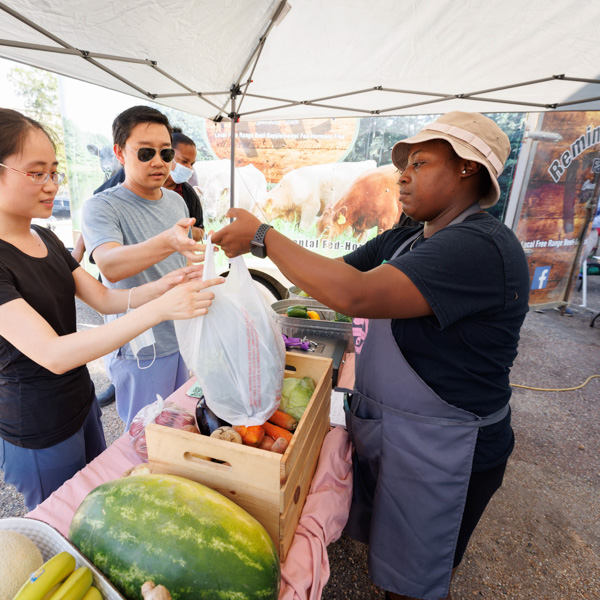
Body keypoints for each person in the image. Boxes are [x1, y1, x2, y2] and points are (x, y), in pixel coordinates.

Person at [211, 112, 530, 600]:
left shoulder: (479, 246)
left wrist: (264, 237)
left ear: (468, 168)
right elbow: (333, 276)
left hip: (446, 448)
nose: (401, 174)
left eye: (419, 163)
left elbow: (356, 294)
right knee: (392, 553)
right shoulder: (410, 236)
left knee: (414, 584)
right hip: (399, 429)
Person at [0, 107, 220, 511]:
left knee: (100, 507)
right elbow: (53, 354)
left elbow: (105, 298)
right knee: (66, 526)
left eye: (54, 172)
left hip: (81, 403)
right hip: (38, 426)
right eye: (37, 173)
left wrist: (167, 285)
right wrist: (161, 308)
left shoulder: (44, 238)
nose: (51, 185)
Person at [81, 105, 205, 430]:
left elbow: (181, 258)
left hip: (184, 335)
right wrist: (169, 241)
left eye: (166, 153)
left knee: (184, 423)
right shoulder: (102, 206)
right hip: (142, 345)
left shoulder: (176, 200)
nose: (159, 162)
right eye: (146, 152)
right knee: (144, 435)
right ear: (119, 153)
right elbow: (110, 265)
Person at [93, 127, 205, 241]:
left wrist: (181, 231)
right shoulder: (118, 189)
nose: (189, 168)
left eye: (192, 163)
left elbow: (200, 230)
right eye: (184, 161)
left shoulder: (183, 197)